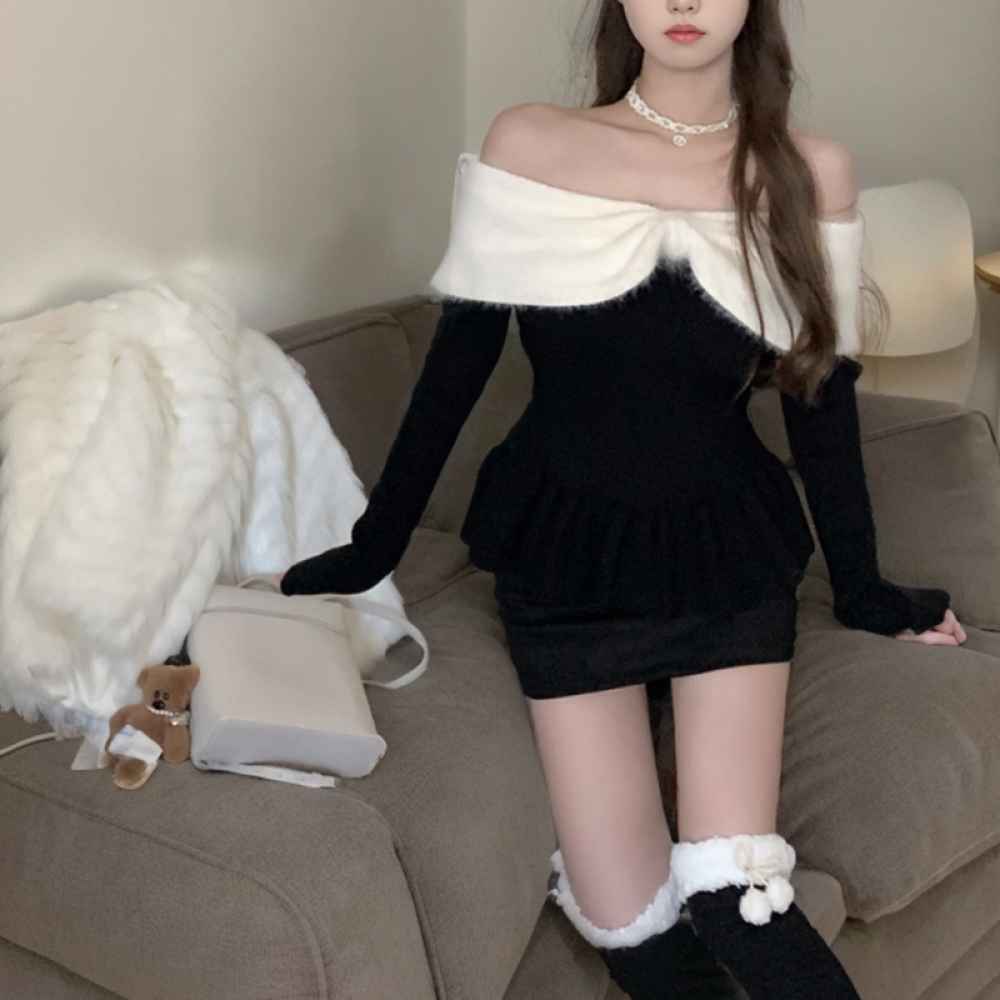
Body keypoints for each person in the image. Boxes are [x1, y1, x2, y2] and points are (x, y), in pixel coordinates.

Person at [282, 1, 967, 997]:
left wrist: (862, 585)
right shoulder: (530, 143)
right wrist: (373, 543)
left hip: (725, 555)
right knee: (633, 930)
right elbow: (456, 368)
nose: (682, 2)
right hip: (565, 558)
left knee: (738, 896)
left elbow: (820, 400)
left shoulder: (807, 170)